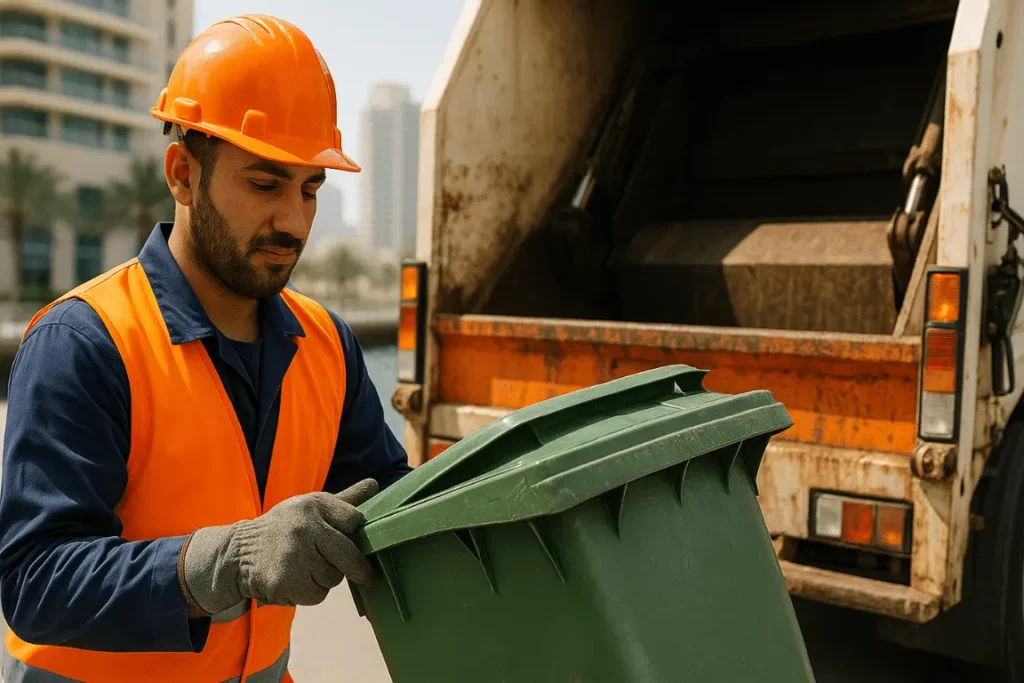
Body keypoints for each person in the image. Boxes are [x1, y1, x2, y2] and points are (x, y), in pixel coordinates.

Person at [0, 14, 411, 683]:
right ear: (182, 173)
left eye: (311, 189)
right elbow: (33, 579)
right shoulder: (84, 342)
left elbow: (397, 508)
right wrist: (227, 560)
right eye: (265, 183)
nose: (294, 221)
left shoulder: (327, 344)